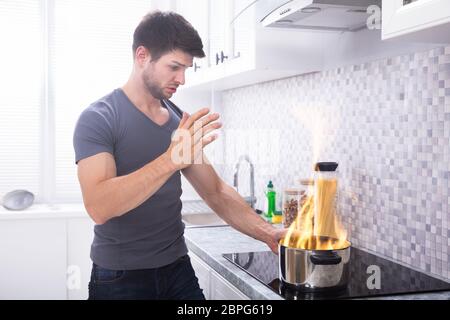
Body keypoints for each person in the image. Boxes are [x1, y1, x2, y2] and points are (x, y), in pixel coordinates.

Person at [73, 10, 286, 300]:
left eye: (186, 68)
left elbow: (215, 191)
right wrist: (170, 159)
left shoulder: (176, 120)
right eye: (174, 67)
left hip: (177, 270)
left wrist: (267, 232)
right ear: (142, 56)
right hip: (120, 278)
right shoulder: (99, 118)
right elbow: (99, 206)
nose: (182, 79)